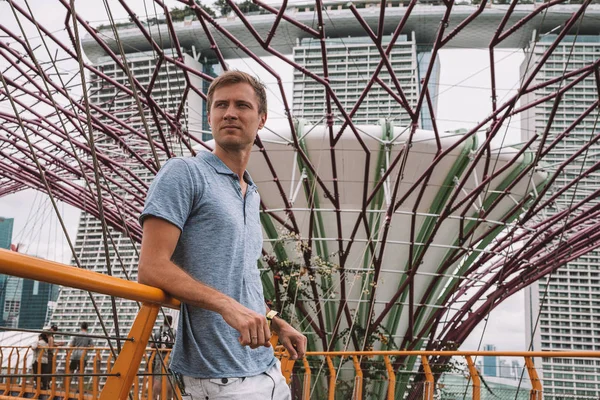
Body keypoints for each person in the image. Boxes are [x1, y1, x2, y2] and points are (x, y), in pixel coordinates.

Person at [138, 70, 307, 399]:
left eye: (242, 105)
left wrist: (273, 321)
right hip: (220, 379)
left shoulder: (251, 192)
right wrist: (226, 306)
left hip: (267, 367)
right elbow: (151, 268)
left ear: (261, 119)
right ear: (210, 116)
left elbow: (239, 279)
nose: (229, 112)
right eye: (220, 105)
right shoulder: (185, 173)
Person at [150, 316, 176, 400]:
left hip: (159, 357)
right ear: (170, 322)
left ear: (163, 321)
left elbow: (153, 345)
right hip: (170, 357)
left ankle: (154, 397)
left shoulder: (158, 332)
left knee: (158, 377)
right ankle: (167, 398)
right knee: (169, 377)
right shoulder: (174, 332)